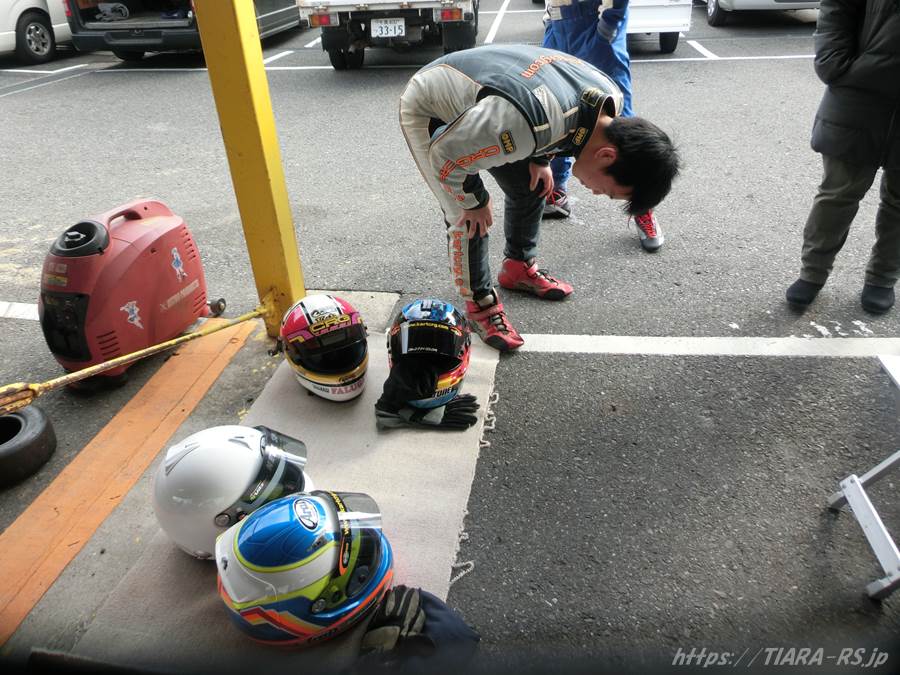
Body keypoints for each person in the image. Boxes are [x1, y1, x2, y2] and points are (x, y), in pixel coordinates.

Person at [398, 44, 680, 351]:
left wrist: (540, 159)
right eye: (608, 191)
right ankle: (480, 304)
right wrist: (474, 200)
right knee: (465, 215)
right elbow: (447, 157)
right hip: (432, 103)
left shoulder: (609, 102)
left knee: (534, 183)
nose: (597, 193)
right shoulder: (522, 126)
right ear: (607, 155)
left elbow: (562, 117)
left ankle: (517, 267)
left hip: (501, 105)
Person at [785, 0, 900, 314]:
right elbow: (837, 9)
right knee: (838, 193)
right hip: (858, 95)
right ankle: (812, 273)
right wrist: (839, 63)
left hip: (858, 82)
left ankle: (883, 277)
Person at [541, 0, 663, 253]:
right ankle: (556, 190)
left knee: (619, 120)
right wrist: (550, 19)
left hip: (592, 20)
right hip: (559, 22)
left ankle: (642, 207)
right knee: (557, 109)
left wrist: (609, 23)